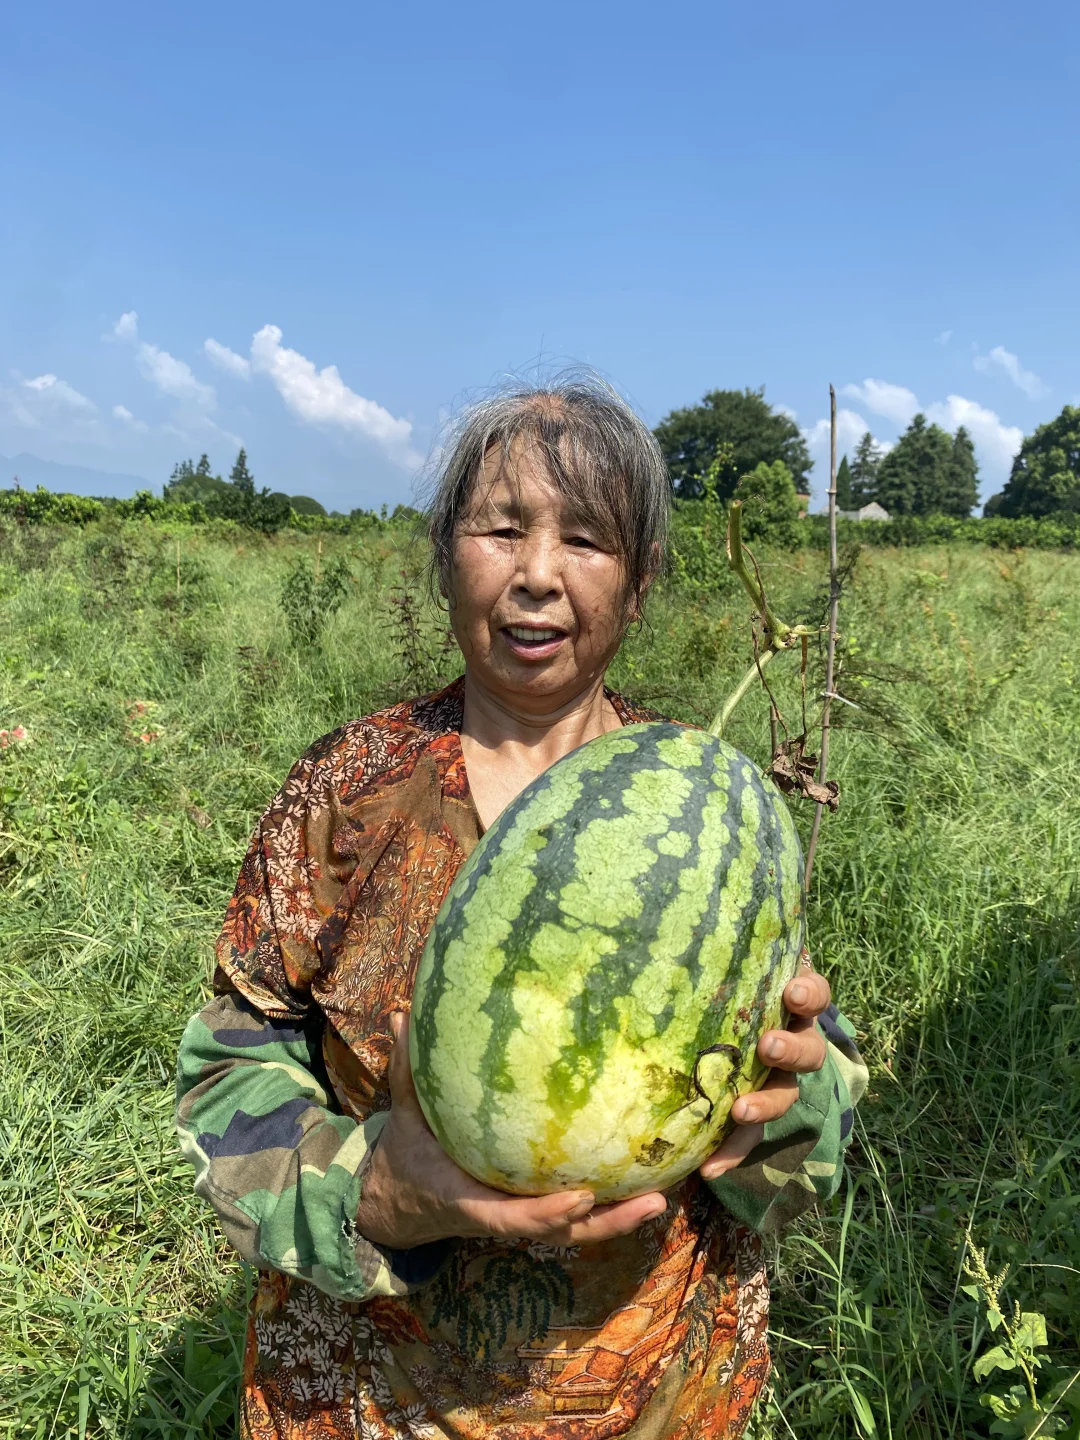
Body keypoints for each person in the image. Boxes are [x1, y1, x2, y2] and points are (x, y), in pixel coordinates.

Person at [176, 375, 867, 1440]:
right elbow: (230, 1066)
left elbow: (811, 1123)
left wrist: (778, 1123)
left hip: (651, 1396)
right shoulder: (348, 790)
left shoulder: (701, 821)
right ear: (446, 557)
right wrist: (374, 1194)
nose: (538, 574)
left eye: (586, 539)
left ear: (637, 587)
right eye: (502, 527)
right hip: (365, 1399)